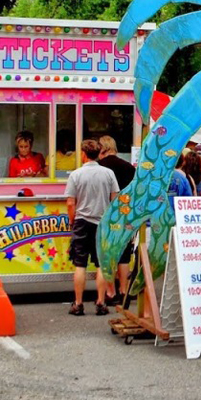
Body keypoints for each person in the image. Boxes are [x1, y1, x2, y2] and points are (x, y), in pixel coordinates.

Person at [65, 140, 119, 316]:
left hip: (82, 222)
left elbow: (71, 202)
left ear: (83, 154)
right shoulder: (108, 173)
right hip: (102, 223)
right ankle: (101, 302)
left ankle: (79, 303)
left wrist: (72, 221)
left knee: (80, 264)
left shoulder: (76, 175)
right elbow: (115, 199)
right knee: (101, 264)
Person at [97, 135, 135, 302]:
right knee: (124, 255)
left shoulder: (100, 168)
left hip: (106, 215)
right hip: (125, 214)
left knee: (108, 253)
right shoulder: (128, 167)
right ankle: (124, 291)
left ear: (102, 149)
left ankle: (110, 293)